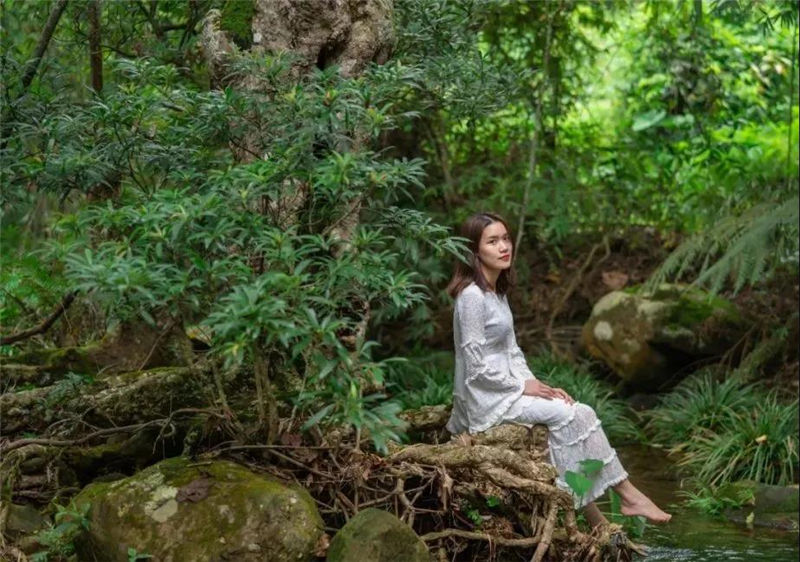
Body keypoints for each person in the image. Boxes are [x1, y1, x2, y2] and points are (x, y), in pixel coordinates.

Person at [445, 212, 671, 527]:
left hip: (507, 389)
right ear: (474, 250)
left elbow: (512, 351)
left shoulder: (496, 293)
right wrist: (520, 387)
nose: (504, 247)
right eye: (492, 241)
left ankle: (597, 517)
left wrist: (536, 384)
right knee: (575, 414)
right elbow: (474, 366)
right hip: (486, 397)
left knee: (576, 413)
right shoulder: (472, 297)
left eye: (506, 238)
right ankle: (627, 496)